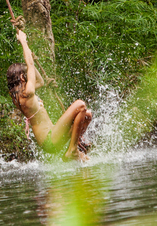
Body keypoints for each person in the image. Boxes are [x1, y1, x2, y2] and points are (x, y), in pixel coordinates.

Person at [7, 27, 93, 161]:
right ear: (23, 78)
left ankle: (74, 146)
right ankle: (72, 151)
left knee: (87, 115)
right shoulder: (27, 93)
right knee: (80, 105)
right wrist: (23, 42)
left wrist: (30, 55)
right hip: (50, 140)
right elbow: (29, 64)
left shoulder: (20, 96)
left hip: (53, 137)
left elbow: (40, 81)